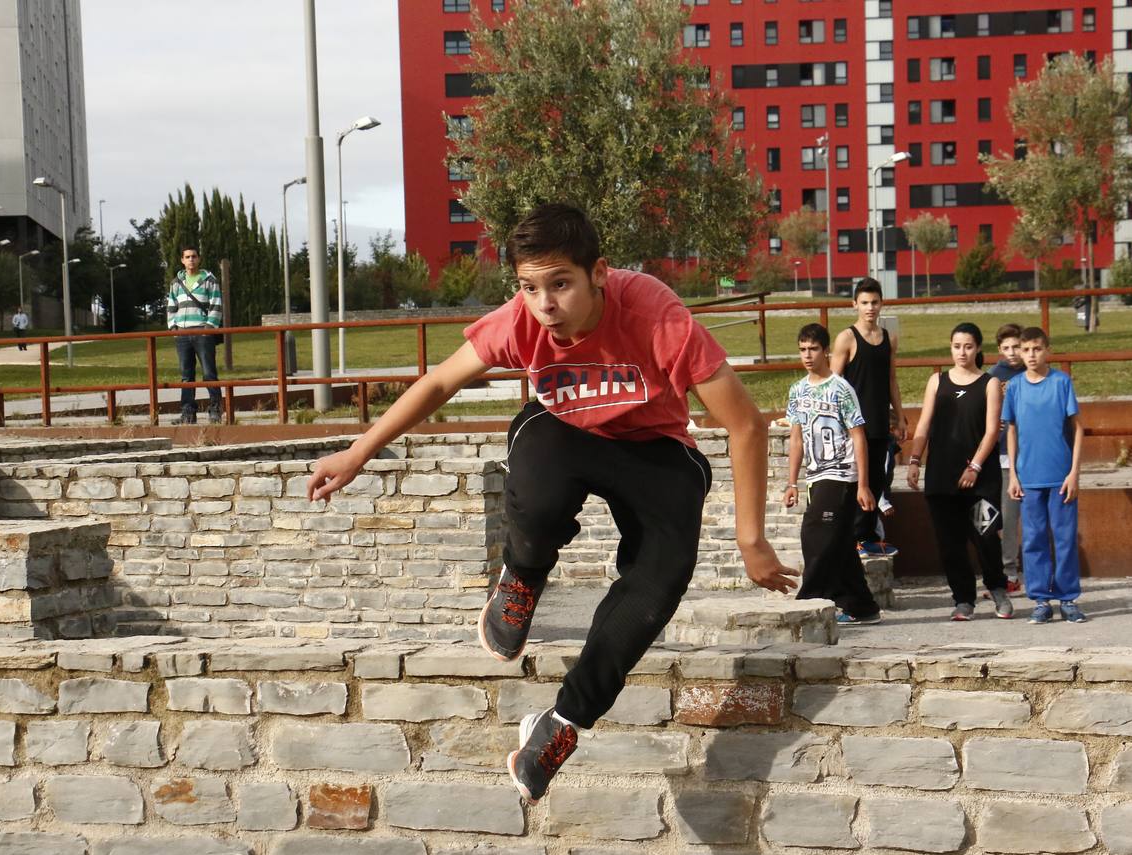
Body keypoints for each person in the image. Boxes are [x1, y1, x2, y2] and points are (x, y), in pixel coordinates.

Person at [306, 204, 796, 804]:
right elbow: (439, 382)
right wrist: (357, 453)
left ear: (600, 275)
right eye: (529, 287)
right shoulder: (521, 320)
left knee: (659, 585)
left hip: (655, 448)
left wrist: (752, 539)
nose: (545, 305)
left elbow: (746, 423)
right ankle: (522, 577)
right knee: (540, 451)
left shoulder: (654, 314)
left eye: (560, 284)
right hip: (564, 432)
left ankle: (562, 723)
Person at [906, 323, 1011, 620]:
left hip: (980, 477)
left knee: (986, 534)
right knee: (950, 542)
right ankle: (963, 599)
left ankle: (997, 588)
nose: (962, 352)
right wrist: (914, 460)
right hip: (942, 474)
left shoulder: (989, 383)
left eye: (967, 346)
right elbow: (924, 424)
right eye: (956, 346)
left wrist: (975, 466)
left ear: (977, 348)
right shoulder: (937, 381)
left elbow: (992, 431)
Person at [783, 323, 882, 625]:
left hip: (841, 475)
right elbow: (797, 439)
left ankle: (809, 604)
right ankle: (863, 607)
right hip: (815, 476)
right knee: (839, 544)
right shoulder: (798, 390)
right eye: (802, 349)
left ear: (826, 351)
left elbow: (858, 436)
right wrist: (791, 482)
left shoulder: (841, 389)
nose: (807, 355)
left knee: (814, 533)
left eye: (813, 349)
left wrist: (863, 484)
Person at [1003, 327, 1085, 624]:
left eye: (1037, 349)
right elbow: (1011, 430)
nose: (1031, 355)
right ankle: (1040, 599)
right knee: (1034, 539)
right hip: (1028, 478)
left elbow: (1077, 428)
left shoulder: (1061, 382)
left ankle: (1067, 599)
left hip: (1061, 476)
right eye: (1026, 350)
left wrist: (1074, 473)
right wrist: (1013, 474)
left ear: (1047, 350)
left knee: (1064, 539)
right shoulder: (1014, 387)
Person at [832, 277, 905, 558]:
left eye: (874, 302)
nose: (870, 308)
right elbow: (834, 382)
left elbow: (891, 380)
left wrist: (899, 416)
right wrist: (837, 420)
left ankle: (866, 537)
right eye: (864, 303)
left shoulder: (888, 337)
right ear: (855, 305)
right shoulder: (846, 338)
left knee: (876, 479)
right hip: (852, 424)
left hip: (878, 421)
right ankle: (852, 538)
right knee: (854, 481)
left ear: (881, 304)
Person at [988, 323, 1027, 593]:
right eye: (1007, 348)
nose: (1012, 353)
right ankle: (1005, 571)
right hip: (1001, 457)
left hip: (1031, 456)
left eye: (1017, 347)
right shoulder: (993, 377)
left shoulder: (1034, 374)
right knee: (1002, 519)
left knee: (1023, 519)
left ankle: (1015, 572)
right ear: (999, 350)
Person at [167, 246, 223, 424]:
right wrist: (173, 328)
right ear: (182, 260)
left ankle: (215, 411)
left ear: (199, 259)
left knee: (209, 373)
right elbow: (171, 306)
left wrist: (208, 328)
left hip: (202, 332)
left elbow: (216, 305)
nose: (191, 259)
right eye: (187, 257)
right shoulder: (176, 282)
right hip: (182, 333)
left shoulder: (209, 280)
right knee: (186, 375)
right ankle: (187, 413)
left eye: (194, 256)